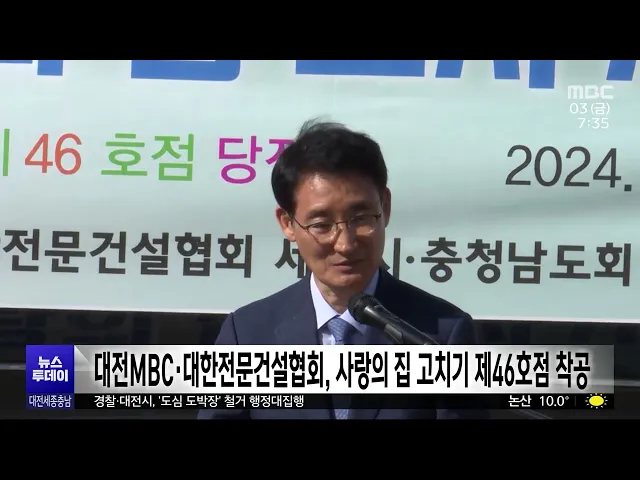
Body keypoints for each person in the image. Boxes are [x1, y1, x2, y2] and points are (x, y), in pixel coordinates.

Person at [198, 119, 488, 420]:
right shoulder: (247, 333)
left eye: (361, 218)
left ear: (385, 207)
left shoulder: (442, 334)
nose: (345, 244)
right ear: (288, 224)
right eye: (322, 225)